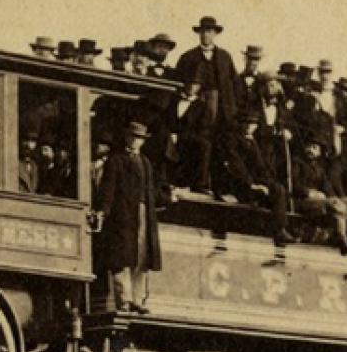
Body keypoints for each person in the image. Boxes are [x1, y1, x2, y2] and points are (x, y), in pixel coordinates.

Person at [170, 16, 245, 191]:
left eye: (209, 31)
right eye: (203, 31)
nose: (206, 35)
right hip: (196, 108)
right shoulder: (187, 57)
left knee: (221, 144)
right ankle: (198, 182)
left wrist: (234, 109)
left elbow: (235, 84)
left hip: (222, 108)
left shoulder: (225, 57)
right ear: (199, 33)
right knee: (201, 143)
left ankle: (220, 185)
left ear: (215, 34)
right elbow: (177, 83)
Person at [95, 120, 162, 308]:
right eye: (133, 137)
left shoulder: (145, 162)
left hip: (143, 214)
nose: (135, 141)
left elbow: (151, 191)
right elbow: (108, 190)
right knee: (122, 258)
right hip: (122, 215)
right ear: (126, 137)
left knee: (141, 257)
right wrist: (103, 210)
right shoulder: (116, 160)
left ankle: (139, 299)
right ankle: (124, 298)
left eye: (139, 138)